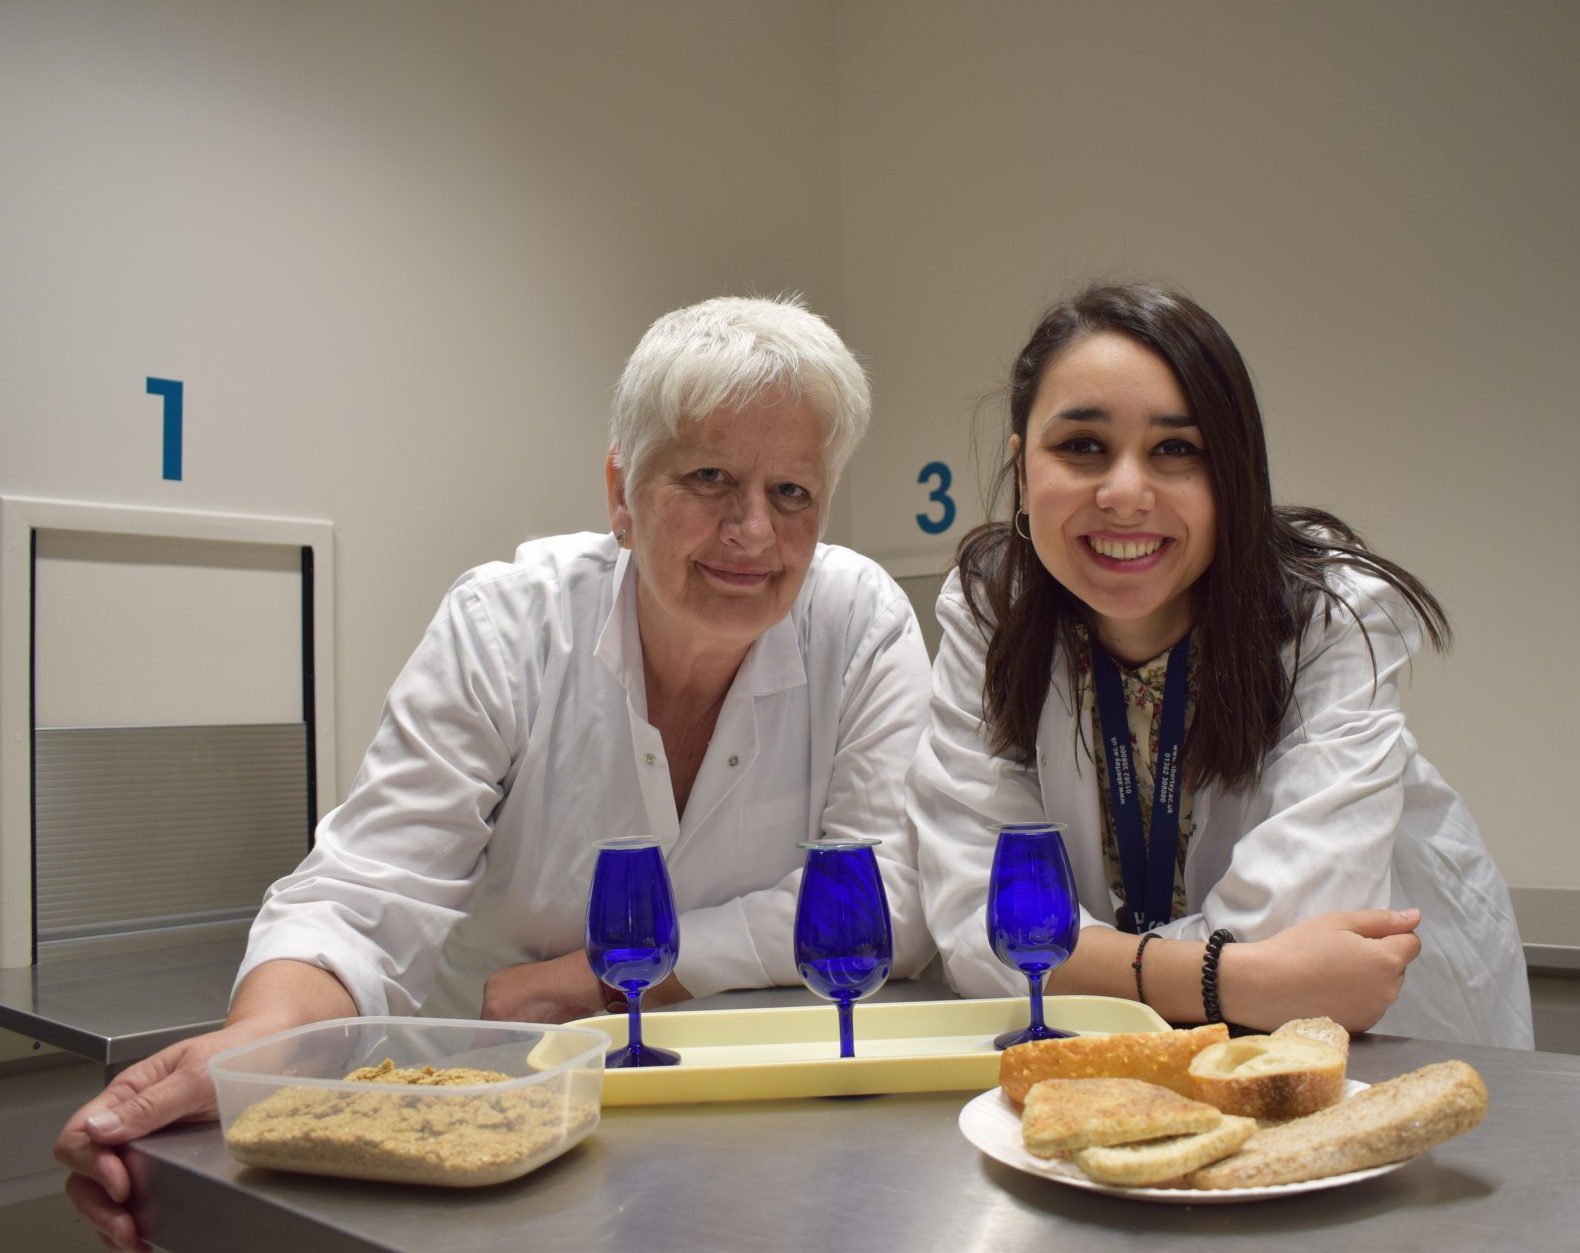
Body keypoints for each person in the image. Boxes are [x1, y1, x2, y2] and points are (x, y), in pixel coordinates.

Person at [56, 294, 936, 1250]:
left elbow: (888, 900)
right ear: (620, 493)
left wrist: (603, 978)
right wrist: (256, 1052)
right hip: (493, 1135)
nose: (753, 531)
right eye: (710, 477)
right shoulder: (507, 626)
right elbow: (365, 892)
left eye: (793, 494)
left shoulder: (861, 622)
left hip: (775, 1134)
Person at [912, 281, 1533, 1048]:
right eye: (1082, 446)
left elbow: (1298, 919)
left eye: (1177, 449)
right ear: (1022, 464)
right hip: (1110, 1051)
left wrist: (1090, 961)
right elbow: (977, 925)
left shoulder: (1330, 615)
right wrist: (1234, 977)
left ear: (1232, 474)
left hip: (1363, 1042)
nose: (1125, 493)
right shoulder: (989, 611)